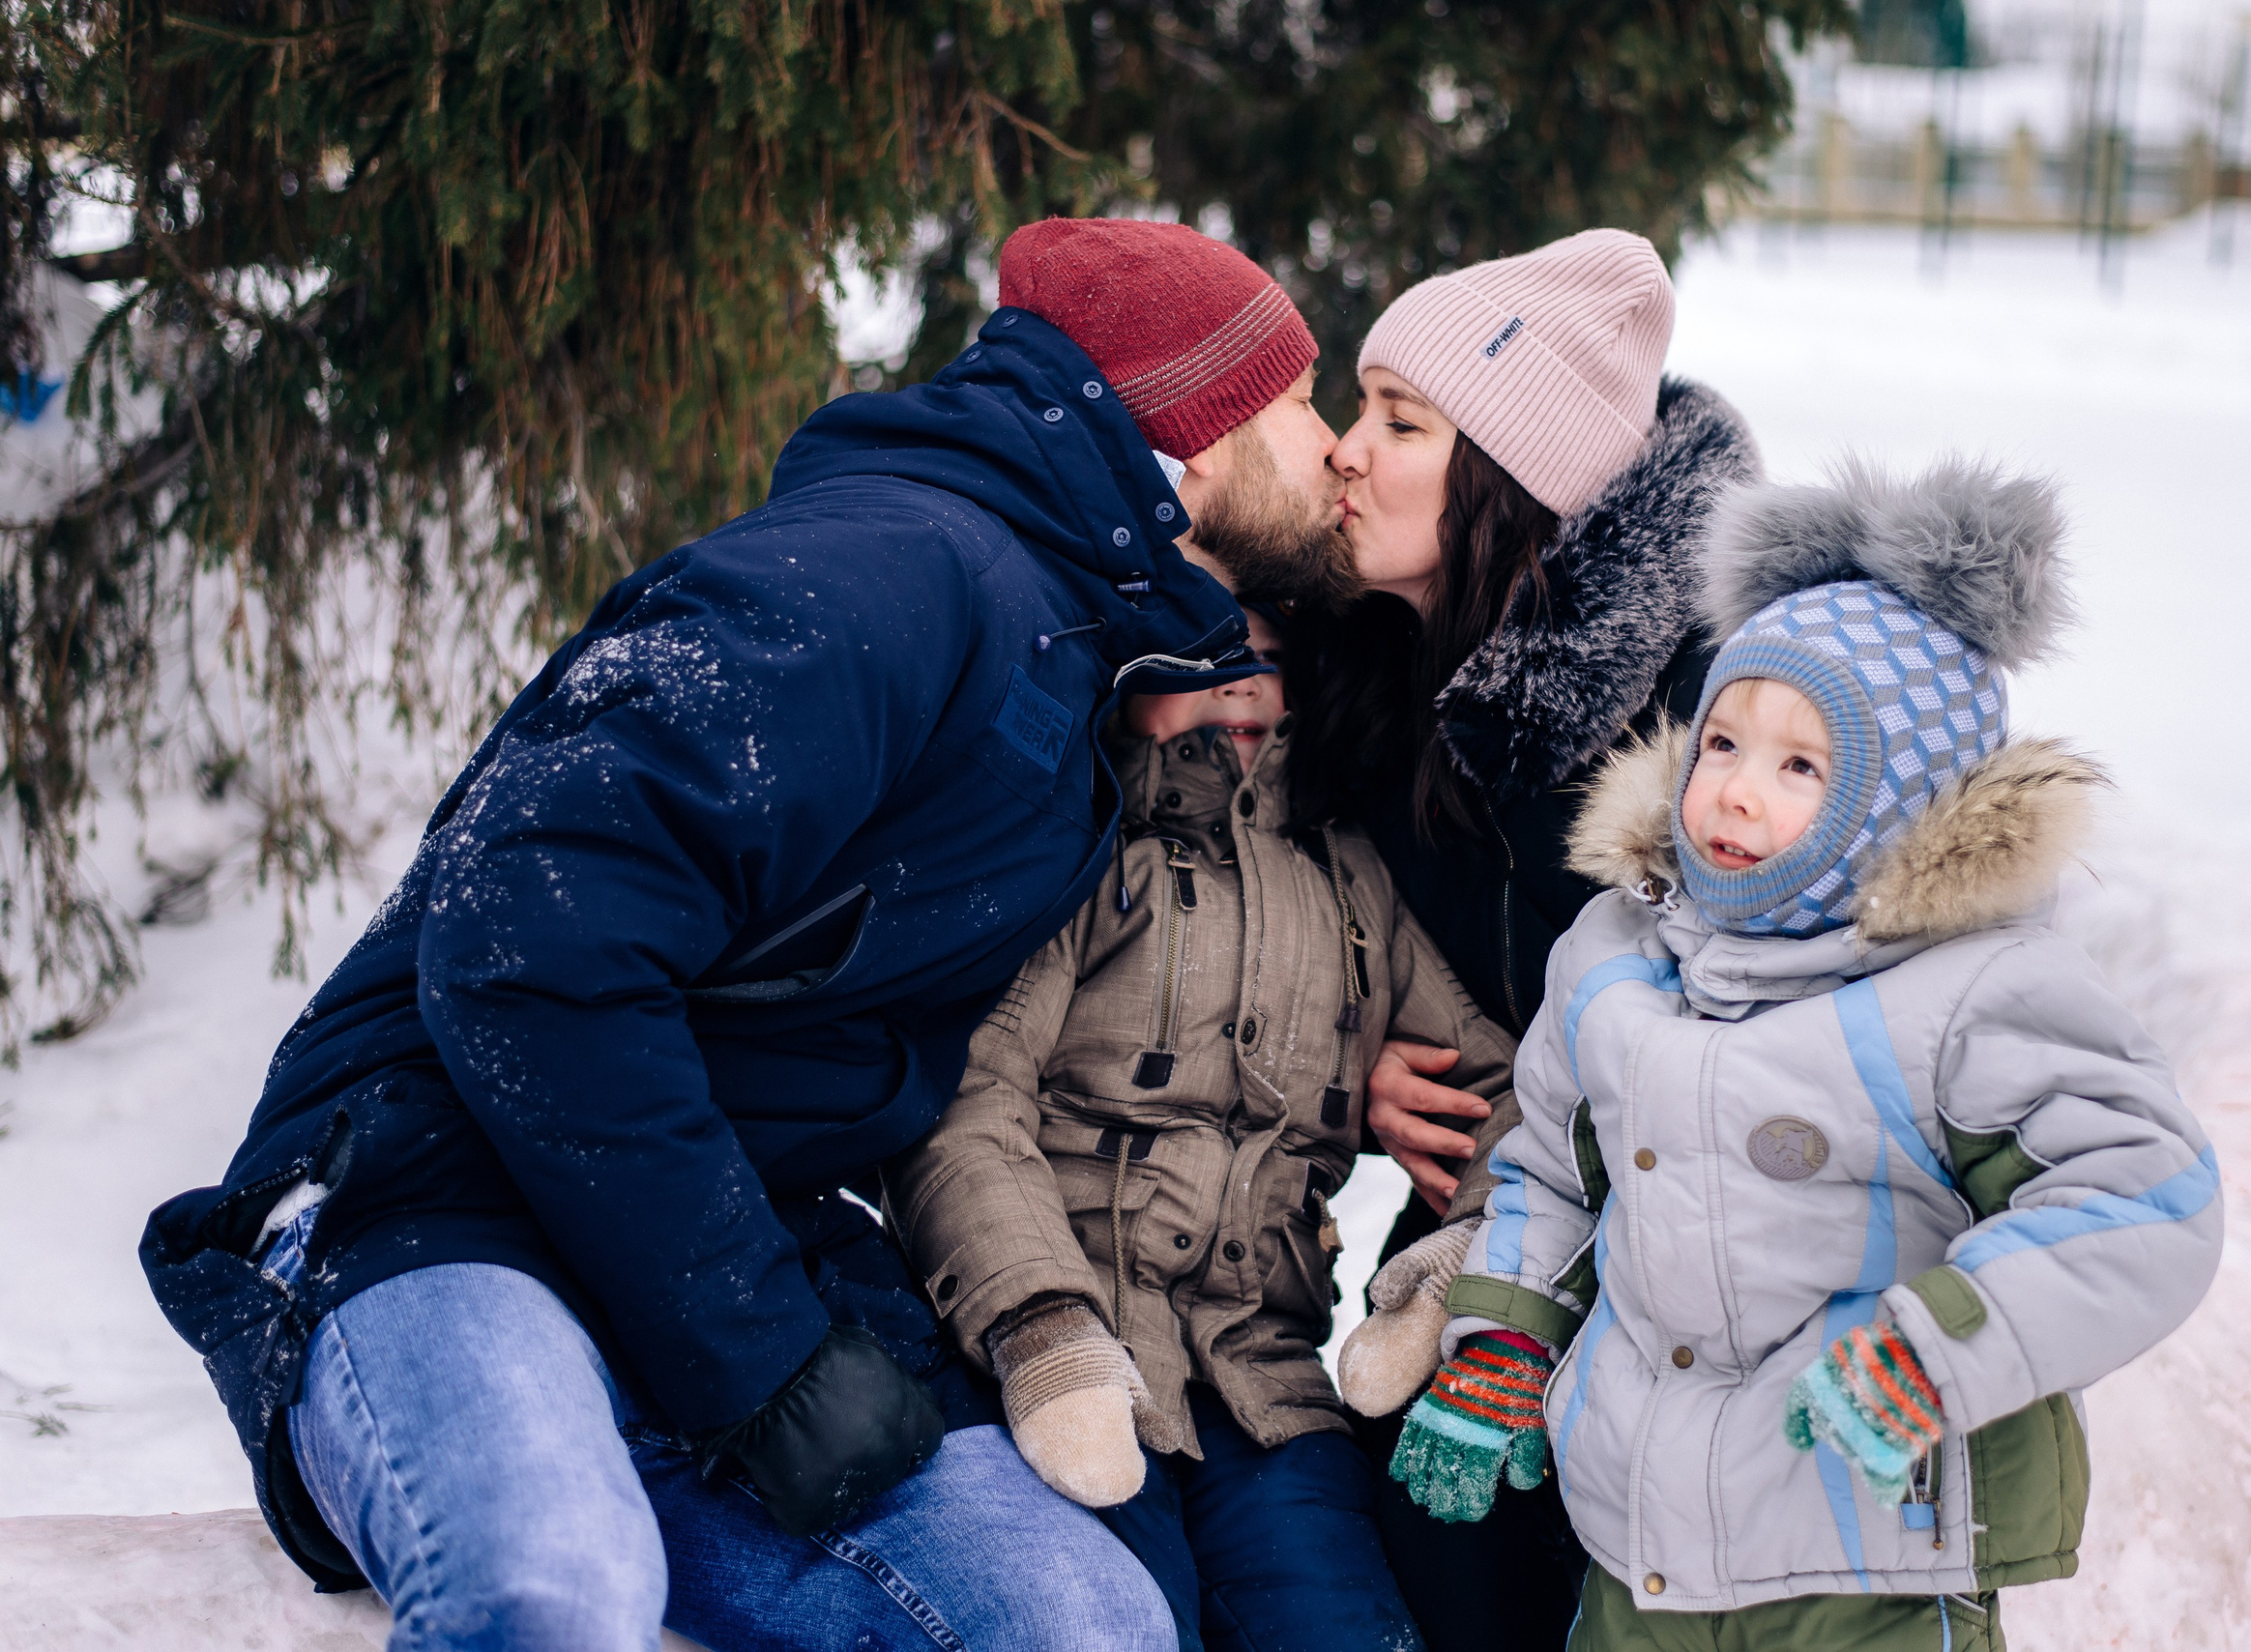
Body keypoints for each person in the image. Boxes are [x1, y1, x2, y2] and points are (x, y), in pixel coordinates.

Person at [136, 217, 1349, 1652]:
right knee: (549, 1593)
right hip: (440, 1193)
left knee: (1081, 1624)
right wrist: (757, 1356)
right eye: (1302, 402)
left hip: (730, 1237)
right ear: (1195, 443)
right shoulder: (883, 573)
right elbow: (530, 934)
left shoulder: (1063, 639)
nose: (1335, 446)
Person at [1345, 460, 2226, 1651]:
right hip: (1639, 1550)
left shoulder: (1969, 994)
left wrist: (1942, 1342)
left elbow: (2144, 1198)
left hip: (1871, 1559)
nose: (1735, 793)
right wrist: (1505, 1335)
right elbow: (1550, 1173)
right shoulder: (1616, 958)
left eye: (1801, 765)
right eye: (1721, 742)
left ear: (1900, 800)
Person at [1281, 228, 1763, 1647]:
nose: (1345, 452)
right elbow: (1321, 925)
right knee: (1419, 1529)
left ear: (1510, 478)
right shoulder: (1371, 671)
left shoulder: (1706, 699)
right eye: (1360, 410)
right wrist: (1361, 1062)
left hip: (1701, 1256)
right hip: (1476, 1218)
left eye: (1401, 422)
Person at [885, 586, 1514, 1652]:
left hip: (1267, 1384)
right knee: (1115, 1620)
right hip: (1074, 1360)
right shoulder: (1081, 846)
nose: (1237, 683)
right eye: (1200, 654)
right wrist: (1042, 1325)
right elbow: (969, 1097)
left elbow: (1504, 1092)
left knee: (1341, 1624)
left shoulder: (1350, 876)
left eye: (1263, 655)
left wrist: (1455, 1260)